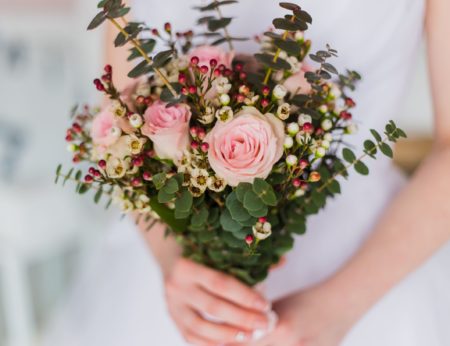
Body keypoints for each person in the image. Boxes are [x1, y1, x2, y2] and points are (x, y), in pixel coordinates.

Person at [45, 0, 450, 345]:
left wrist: (333, 311)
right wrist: (173, 263)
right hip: (176, 282)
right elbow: (124, 124)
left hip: (365, 275)